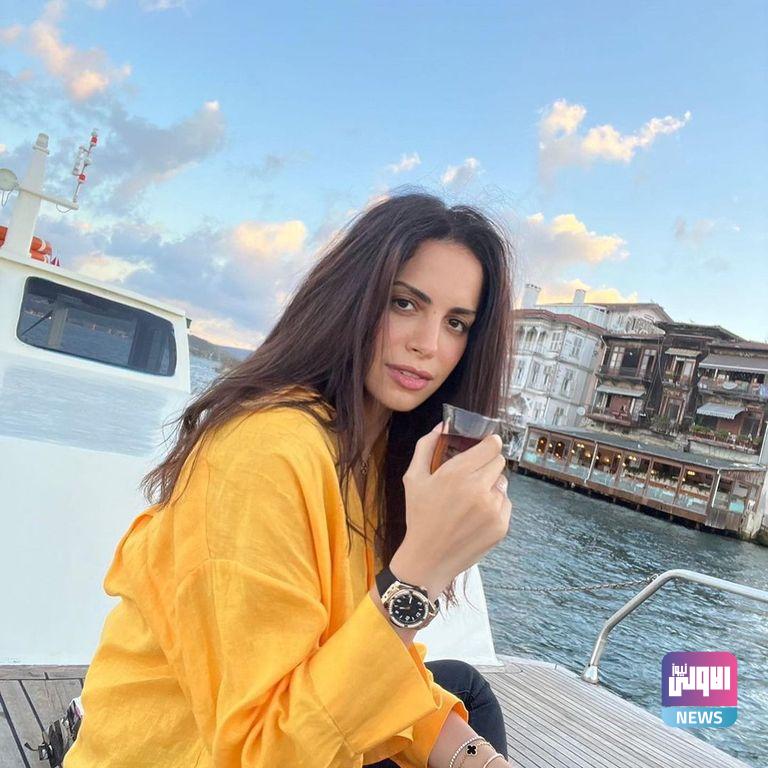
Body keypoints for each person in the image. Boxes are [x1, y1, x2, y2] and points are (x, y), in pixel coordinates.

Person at [64, 192, 515, 768]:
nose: (427, 344)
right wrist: (421, 573)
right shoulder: (265, 452)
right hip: (200, 752)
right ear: (351, 299)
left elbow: (358, 661)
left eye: (456, 323)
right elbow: (264, 751)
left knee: (463, 692)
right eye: (404, 303)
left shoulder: (372, 455)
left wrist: (481, 759)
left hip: (295, 724)